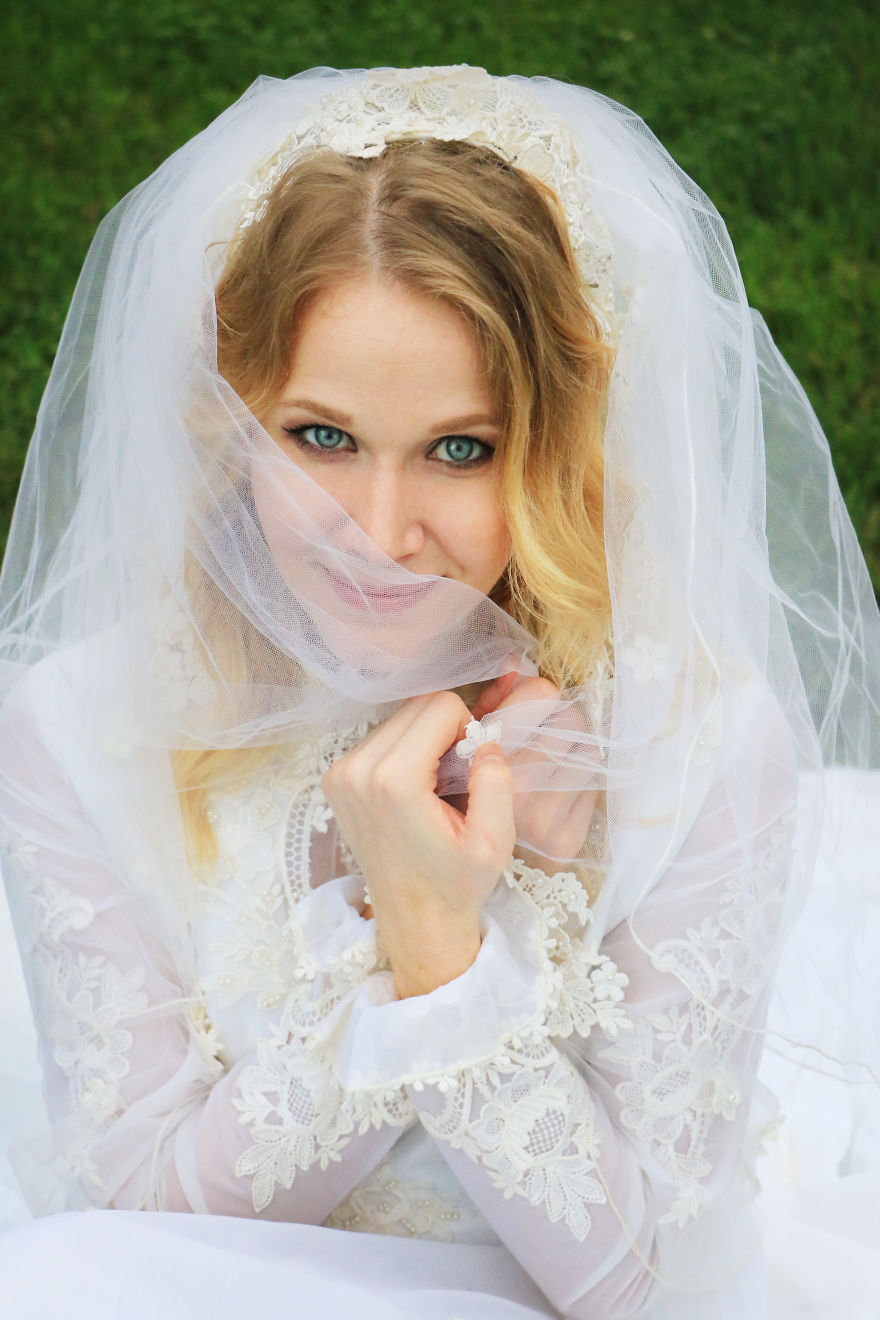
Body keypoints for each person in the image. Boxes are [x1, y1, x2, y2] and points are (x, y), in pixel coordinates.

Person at [0, 65, 877, 1320]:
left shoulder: (694, 742)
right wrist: (390, 919)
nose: (378, 531)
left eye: (459, 449)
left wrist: (449, 945)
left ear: (559, 442)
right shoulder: (84, 725)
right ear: (233, 418)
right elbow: (123, 1230)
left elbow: (642, 1289)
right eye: (318, 438)